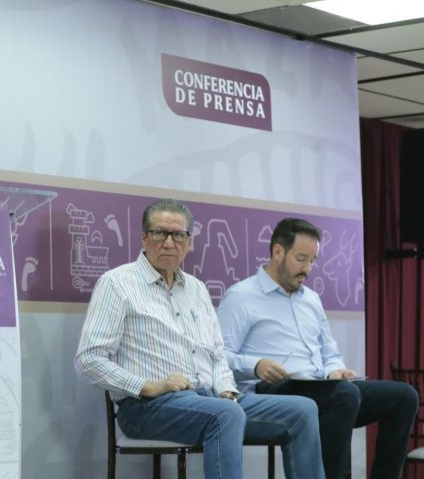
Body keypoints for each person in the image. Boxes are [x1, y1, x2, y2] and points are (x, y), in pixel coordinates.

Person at [74, 199, 325, 479]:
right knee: (225, 415)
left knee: (303, 410)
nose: (169, 243)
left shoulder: (196, 288)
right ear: (144, 238)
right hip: (146, 408)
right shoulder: (117, 283)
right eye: (160, 233)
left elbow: (217, 353)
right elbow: (89, 360)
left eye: (178, 235)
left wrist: (227, 391)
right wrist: (148, 386)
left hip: (211, 399)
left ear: (188, 242)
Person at [218, 217, 419, 479]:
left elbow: (329, 351)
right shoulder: (241, 296)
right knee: (344, 396)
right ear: (278, 252)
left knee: (404, 396)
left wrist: (336, 370)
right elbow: (219, 357)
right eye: (301, 259)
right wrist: (256, 365)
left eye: (312, 260)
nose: (308, 269)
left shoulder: (311, 299)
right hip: (273, 390)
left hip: (321, 387)